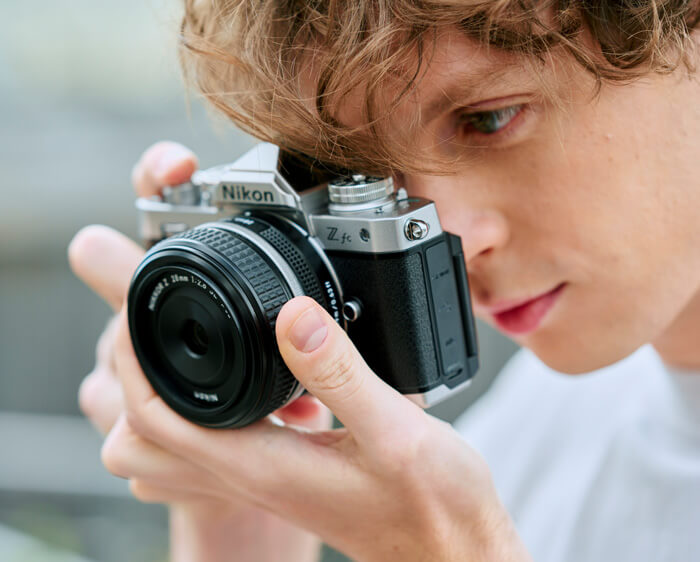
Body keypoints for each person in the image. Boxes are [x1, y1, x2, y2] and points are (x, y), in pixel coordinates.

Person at [68, 1, 700, 561]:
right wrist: (242, 504)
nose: (447, 237)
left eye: (490, 119)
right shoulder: (533, 435)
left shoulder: (491, 487)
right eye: (358, 182)